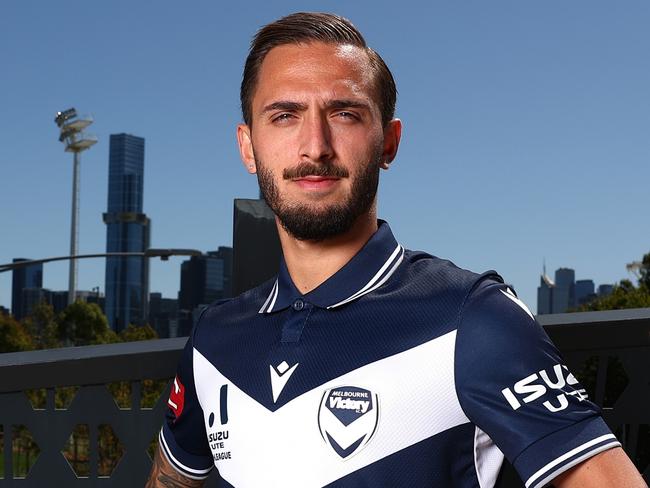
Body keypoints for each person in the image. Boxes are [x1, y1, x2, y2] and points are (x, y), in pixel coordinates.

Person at [146, 12, 647, 488]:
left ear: (388, 142)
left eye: (344, 114)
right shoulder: (214, 339)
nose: (315, 145)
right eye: (284, 116)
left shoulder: (472, 319)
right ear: (248, 147)